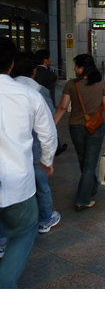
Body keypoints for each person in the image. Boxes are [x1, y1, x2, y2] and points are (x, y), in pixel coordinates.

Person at [0, 37, 57, 289]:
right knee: (24, 231)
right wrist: (46, 161)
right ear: (11, 64)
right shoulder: (27, 94)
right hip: (17, 182)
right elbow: (47, 134)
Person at [54, 54, 105, 211]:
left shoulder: (71, 85)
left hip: (75, 127)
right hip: (95, 127)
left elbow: (62, 107)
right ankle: (82, 199)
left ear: (82, 68)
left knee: (84, 160)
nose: (74, 69)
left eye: (76, 66)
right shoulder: (101, 84)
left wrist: (52, 124)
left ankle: (92, 185)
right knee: (89, 163)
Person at [11, 52, 61, 234]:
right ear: (34, 71)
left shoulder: (7, 89)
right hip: (35, 149)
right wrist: (48, 159)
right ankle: (45, 219)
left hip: (10, 151)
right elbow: (47, 128)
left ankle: (2, 239)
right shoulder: (39, 91)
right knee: (42, 187)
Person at [35, 49, 67, 156]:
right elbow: (50, 94)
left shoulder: (33, 72)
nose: (50, 59)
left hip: (32, 104)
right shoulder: (50, 75)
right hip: (45, 104)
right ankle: (56, 146)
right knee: (51, 125)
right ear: (45, 60)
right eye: (49, 58)